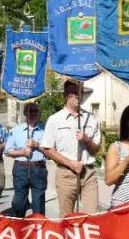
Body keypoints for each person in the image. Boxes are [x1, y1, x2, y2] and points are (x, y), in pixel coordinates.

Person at [41, 80, 101, 215]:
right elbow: (47, 148)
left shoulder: (91, 119)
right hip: (66, 174)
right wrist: (70, 163)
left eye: (81, 92)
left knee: (92, 217)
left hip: (88, 173)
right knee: (67, 219)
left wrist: (86, 139)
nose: (79, 96)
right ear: (66, 95)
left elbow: (96, 149)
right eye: (74, 93)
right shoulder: (54, 119)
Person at [5, 102, 47, 217]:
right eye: (30, 111)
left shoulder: (45, 130)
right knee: (19, 203)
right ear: (25, 113)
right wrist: (22, 152)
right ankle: (20, 229)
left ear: (39, 113)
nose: (33, 113)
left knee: (38, 205)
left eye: (35, 111)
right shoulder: (16, 130)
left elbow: (51, 151)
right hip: (21, 168)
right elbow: (8, 151)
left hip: (39, 169)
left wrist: (37, 145)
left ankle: (38, 230)